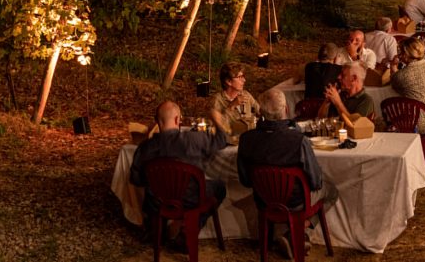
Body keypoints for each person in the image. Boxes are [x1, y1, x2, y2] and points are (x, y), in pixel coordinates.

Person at [237, 88, 338, 259]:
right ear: (285, 110)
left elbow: (245, 180)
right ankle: (297, 231)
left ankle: (292, 235)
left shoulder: (246, 139)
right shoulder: (298, 141)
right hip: (297, 202)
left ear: (260, 112)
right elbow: (315, 182)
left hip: (264, 200)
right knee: (332, 190)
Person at [130, 101, 228, 244]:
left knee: (151, 194)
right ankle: (187, 231)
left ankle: (156, 230)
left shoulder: (145, 147)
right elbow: (220, 141)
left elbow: (136, 180)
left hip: (157, 202)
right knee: (219, 187)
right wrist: (218, 121)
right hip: (191, 200)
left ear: (156, 121)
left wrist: (158, 182)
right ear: (178, 119)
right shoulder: (194, 139)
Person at [212, 62, 261, 134]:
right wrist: (232, 106)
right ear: (228, 81)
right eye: (240, 77)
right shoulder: (218, 100)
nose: (244, 80)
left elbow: (260, 112)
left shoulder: (246, 94)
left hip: (249, 139)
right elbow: (217, 127)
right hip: (230, 143)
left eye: (243, 76)